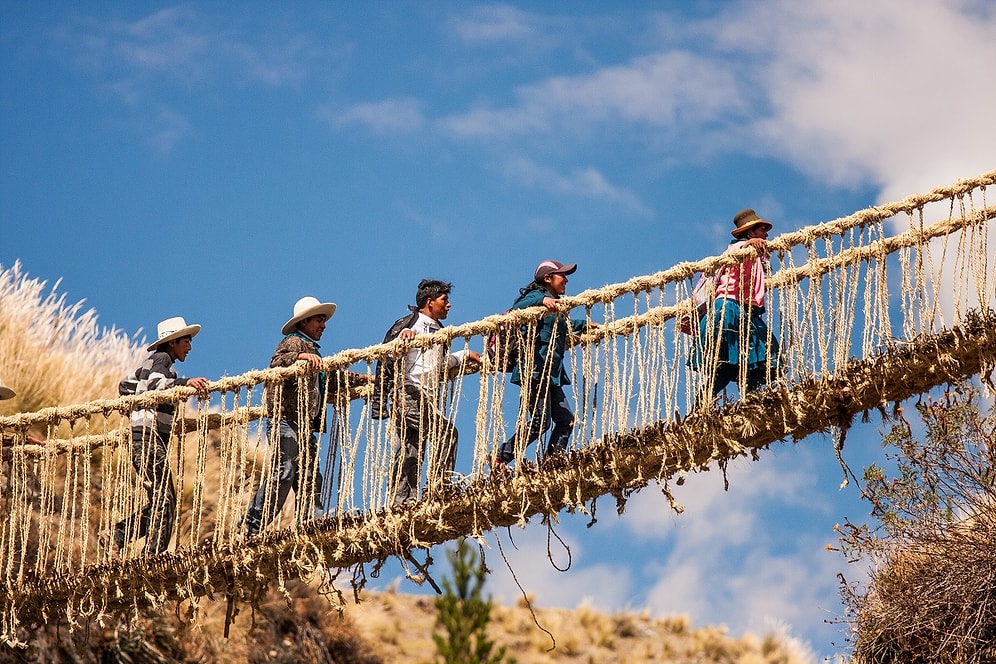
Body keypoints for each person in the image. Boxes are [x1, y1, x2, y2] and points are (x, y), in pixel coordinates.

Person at [244, 297, 370, 536]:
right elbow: (277, 363)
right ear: (304, 322)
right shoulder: (294, 342)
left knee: (310, 479)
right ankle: (252, 527)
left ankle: (310, 526)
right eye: (319, 320)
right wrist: (300, 357)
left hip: (302, 426)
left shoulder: (312, 351)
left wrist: (363, 379)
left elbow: (328, 379)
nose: (324, 325)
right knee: (284, 472)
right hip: (285, 421)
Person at [106, 316, 209, 556]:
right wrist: (186, 383)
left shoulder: (151, 364)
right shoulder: (161, 359)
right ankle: (151, 556)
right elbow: (155, 384)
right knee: (165, 501)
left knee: (162, 501)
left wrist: (134, 408)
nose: (189, 347)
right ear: (172, 342)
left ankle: (117, 536)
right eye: (186, 341)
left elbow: (125, 385)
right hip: (149, 440)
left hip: (143, 440)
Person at [380, 279, 480, 506]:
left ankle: (403, 502)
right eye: (444, 300)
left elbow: (440, 364)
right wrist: (403, 338)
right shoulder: (411, 324)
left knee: (411, 450)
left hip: (425, 398)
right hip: (408, 393)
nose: (449, 305)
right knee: (447, 434)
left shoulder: (440, 332)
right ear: (429, 302)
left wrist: (465, 355)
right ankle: (438, 491)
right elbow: (390, 354)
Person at [495, 260, 599, 467]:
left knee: (566, 420)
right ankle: (501, 457)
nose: (566, 280)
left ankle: (552, 462)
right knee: (540, 422)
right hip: (535, 371)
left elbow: (563, 326)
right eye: (562, 276)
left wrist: (584, 325)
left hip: (551, 374)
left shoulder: (556, 306)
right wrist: (542, 300)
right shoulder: (536, 298)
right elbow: (518, 308)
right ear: (548, 278)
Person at [692, 208, 780, 400]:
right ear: (750, 232)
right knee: (745, 360)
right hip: (729, 311)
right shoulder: (739, 249)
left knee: (753, 361)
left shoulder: (754, 255)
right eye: (762, 230)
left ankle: (748, 399)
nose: (766, 234)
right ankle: (743, 400)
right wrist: (749, 244)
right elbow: (738, 251)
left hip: (740, 312)